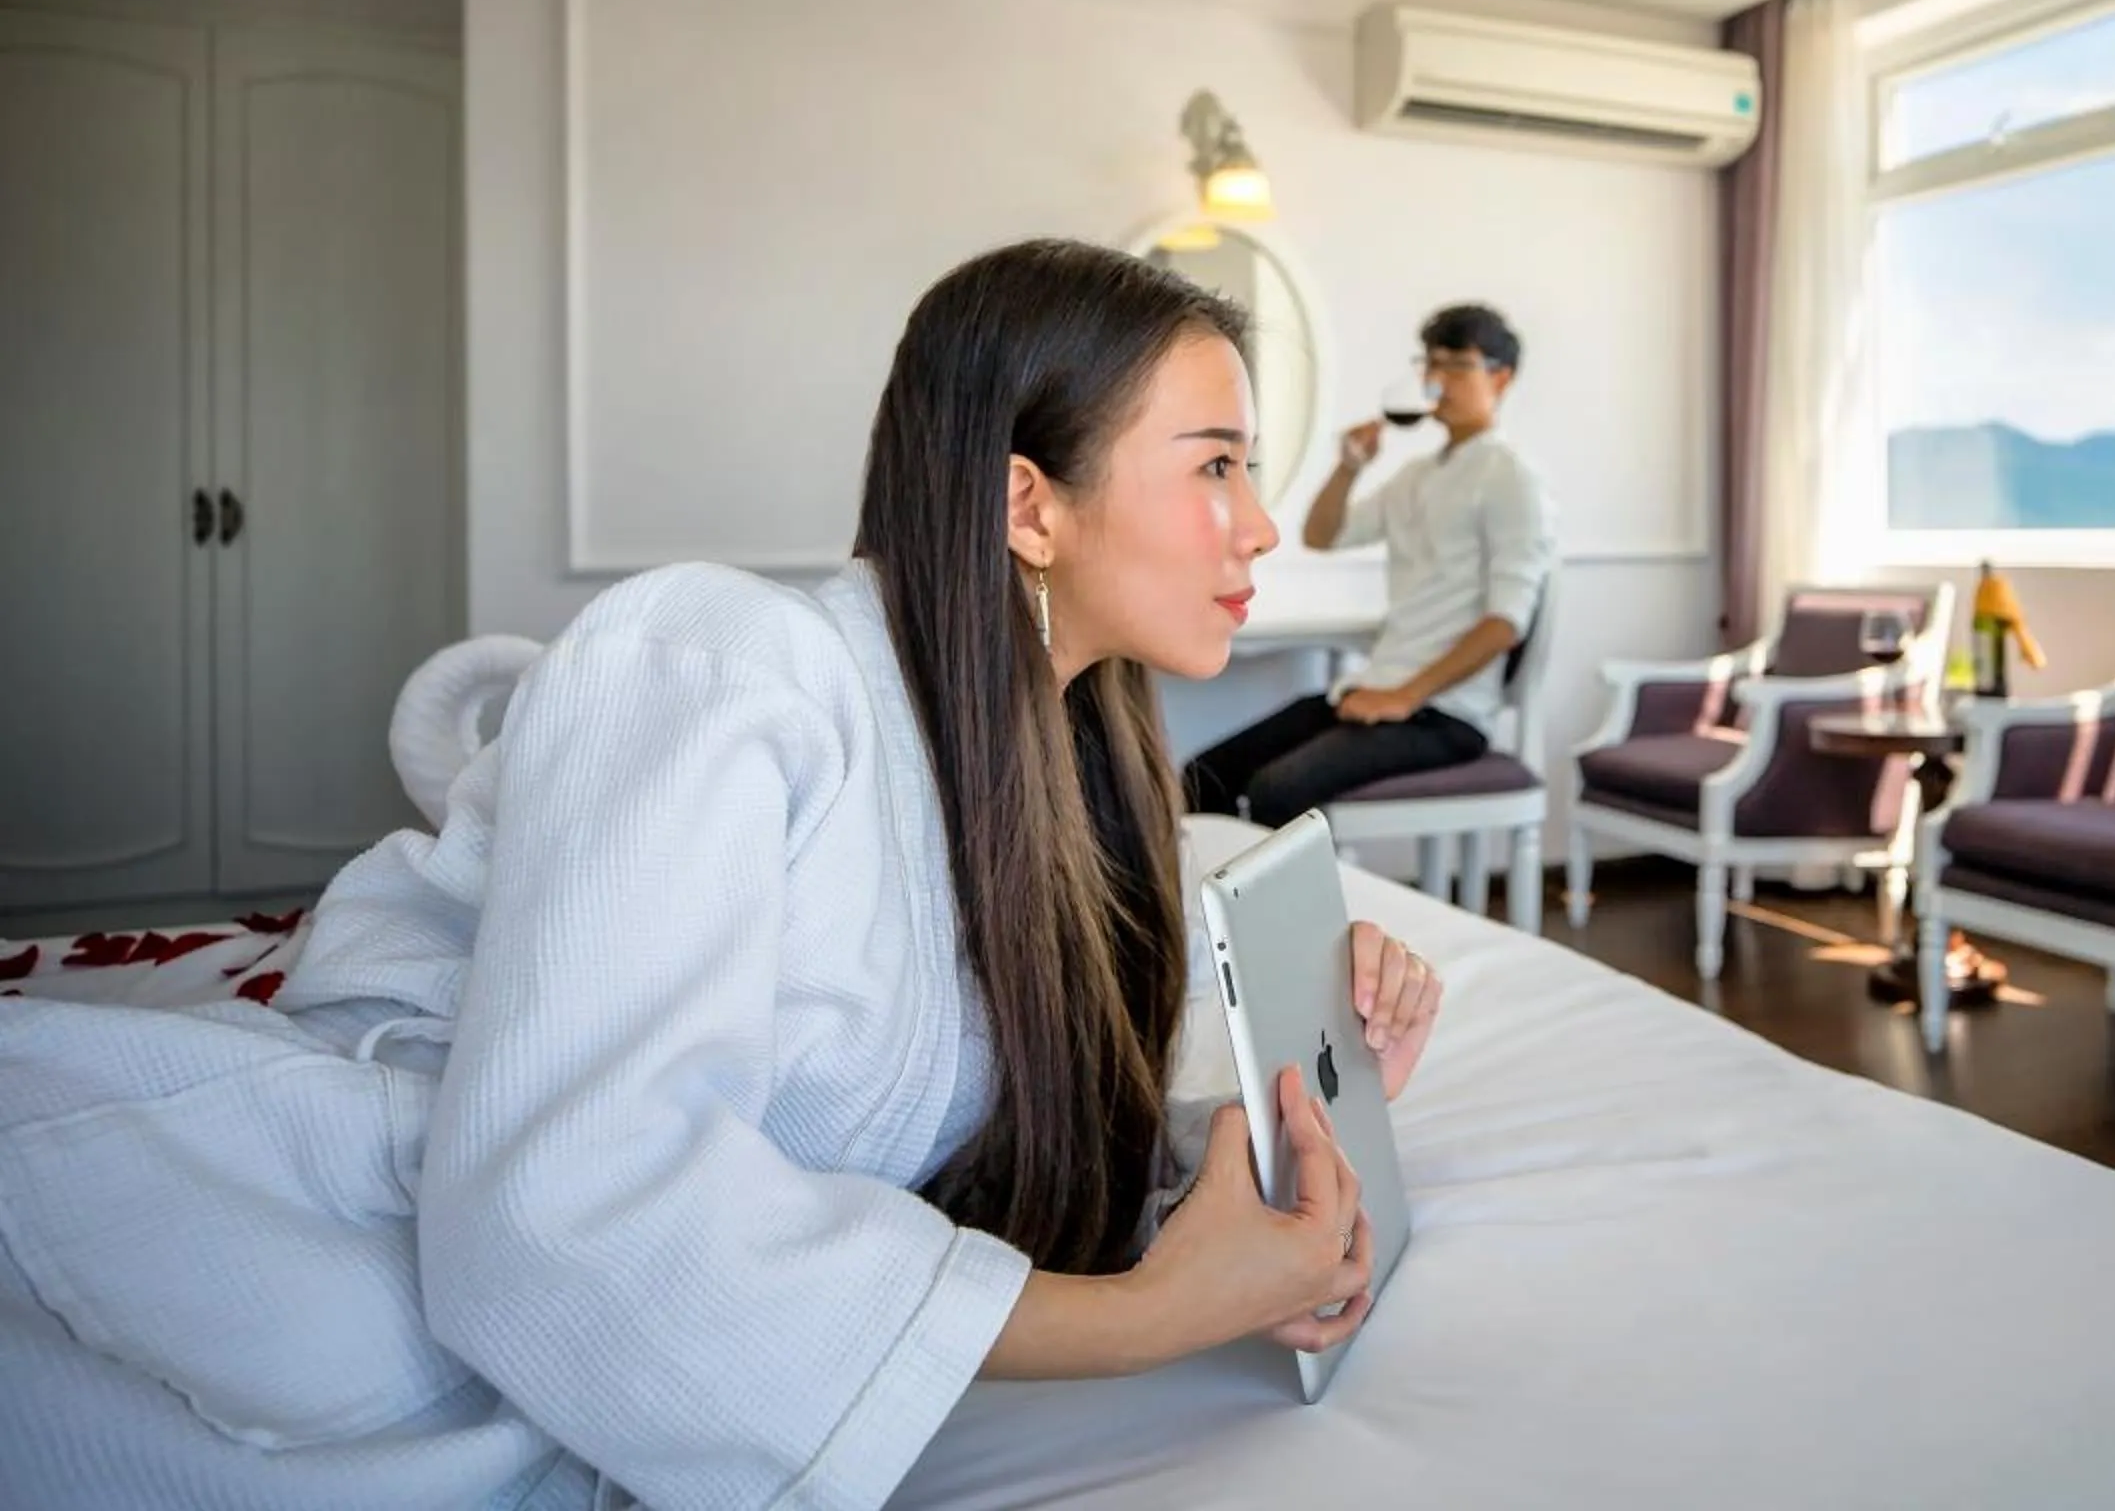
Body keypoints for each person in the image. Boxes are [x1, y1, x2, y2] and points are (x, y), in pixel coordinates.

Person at [0, 241, 1447, 1510]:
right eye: (1214, 464)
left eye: (1250, 469)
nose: (1259, 523)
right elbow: (572, 1212)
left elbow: (970, 1128)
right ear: (1028, 506)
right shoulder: (721, 664)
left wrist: (1256, 1135)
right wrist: (1146, 1318)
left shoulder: (1063, 777)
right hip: (312, 1296)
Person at [1182, 304, 1555, 827]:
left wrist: (1404, 696)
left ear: (1501, 377)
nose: (1436, 379)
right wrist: (1348, 467)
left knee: (1277, 789)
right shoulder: (1418, 476)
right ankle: (1205, 907)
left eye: (1457, 365)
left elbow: (1505, 624)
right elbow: (1322, 535)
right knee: (1202, 776)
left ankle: (1291, 912)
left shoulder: (1510, 478)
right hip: (1374, 691)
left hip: (1443, 713)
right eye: (1432, 363)